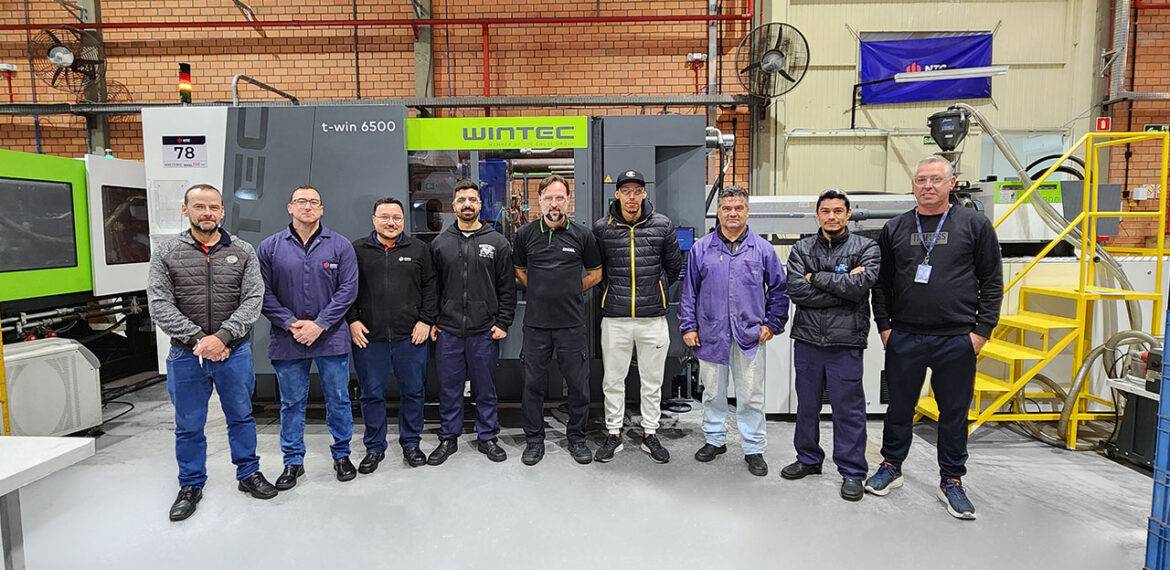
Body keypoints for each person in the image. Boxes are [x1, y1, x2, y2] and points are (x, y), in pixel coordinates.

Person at [866, 155, 1003, 520]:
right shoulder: (895, 228)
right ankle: (891, 466)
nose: (928, 186)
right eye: (921, 180)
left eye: (935, 180)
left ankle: (952, 480)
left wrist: (980, 332)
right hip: (905, 336)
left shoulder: (974, 225)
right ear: (913, 185)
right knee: (898, 407)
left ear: (951, 183)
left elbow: (992, 282)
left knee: (953, 413)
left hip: (956, 338)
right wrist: (885, 328)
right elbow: (881, 285)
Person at [147, 183, 277, 522]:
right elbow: (159, 304)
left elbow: (253, 300)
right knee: (188, 425)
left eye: (214, 207)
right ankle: (190, 484)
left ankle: (248, 473)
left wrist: (222, 337)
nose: (208, 213)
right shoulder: (167, 252)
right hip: (186, 356)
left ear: (222, 211)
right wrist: (198, 340)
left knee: (242, 416)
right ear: (185, 210)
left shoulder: (244, 251)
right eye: (200, 206)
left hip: (233, 353)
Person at [679, 185, 789, 477]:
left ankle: (753, 448)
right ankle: (715, 440)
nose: (732, 213)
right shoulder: (702, 249)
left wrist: (772, 324)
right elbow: (689, 291)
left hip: (749, 336)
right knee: (713, 392)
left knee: (751, 394)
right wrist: (688, 326)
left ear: (747, 211)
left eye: (738, 208)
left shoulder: (762, 250)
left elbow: (779, 290)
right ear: (718, 211)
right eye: (727, 208)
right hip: (710, 335)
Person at [257, 185, 359, 488]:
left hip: (331, 338)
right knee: (291, 403)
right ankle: (292, 462)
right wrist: (290, 323)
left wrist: (320, 324)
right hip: (288, 339)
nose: (308, 207)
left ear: (322, 209)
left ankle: (342, 455)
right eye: (301, 202)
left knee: (339, 399)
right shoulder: (270, 247)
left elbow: (348, 290)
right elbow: (262, 292)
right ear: (290, 207)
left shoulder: (340, 246)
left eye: (314, 202)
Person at [782, 189, 880, 502]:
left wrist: (816, 278)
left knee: (848, 410)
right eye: (826, 211)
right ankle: (808, 459)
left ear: (848, 214)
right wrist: (840, 286)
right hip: (808, 340)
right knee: (806, 406)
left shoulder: (866, 247)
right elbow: (797, 290)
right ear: (818, 215)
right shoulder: (801, 248)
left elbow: (860, 288)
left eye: (838, 211)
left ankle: (852, 472)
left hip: (845, 341)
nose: (832, 217)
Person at [591, 169, 684, 464]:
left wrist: (654, 292)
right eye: (626, 191)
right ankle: (613, 433)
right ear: (617, 194)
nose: (632, 197)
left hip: (652, 318)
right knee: (613, 380)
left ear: (645, 194)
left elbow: (673, 267)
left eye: (637, 191)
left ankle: (650, 434)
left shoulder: (662, 226)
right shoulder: (602, 229)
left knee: (652, 380)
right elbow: (597, 271)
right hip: (615, 317)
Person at [513, 174, 603, 466]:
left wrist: (569, 291)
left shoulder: (582, 235)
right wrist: (540, 290)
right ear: (539, 201)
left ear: (568, 200)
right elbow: (519, 271)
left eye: (560, 198)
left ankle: (576, 438)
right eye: (549, 198)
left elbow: (596, 273)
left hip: (572, 325)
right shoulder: (525, 235)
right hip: (536, 326)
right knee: (532, 386)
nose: (554, 204)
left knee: (578, 386)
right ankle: (534, 441)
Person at [427, 180, 516, 465]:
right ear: (453, 206)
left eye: (472, 200)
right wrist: (433, 321)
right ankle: (448, 437)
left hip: (484, 331)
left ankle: (488, 436)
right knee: (449, 387)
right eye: (462, 200)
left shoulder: (498, 242)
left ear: (480, 205)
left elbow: (507, 288)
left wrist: (503, 321)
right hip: (449, 331)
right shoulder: (440, 243)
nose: (467, 204)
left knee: (486, 387)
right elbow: (432, 288)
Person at [347, 197, 437, 471]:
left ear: (403, 220)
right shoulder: (357, 250)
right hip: (369, 338)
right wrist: (351, 320)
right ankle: (375, 447)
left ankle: (411, 443)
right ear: (374, 219)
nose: (391, 222)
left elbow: (431, 287)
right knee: (371, 394)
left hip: (410, 337)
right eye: (385, 217)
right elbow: (346, 288)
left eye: (396, 218)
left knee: (413, 392)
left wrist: (426, 320)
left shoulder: (420, 249)